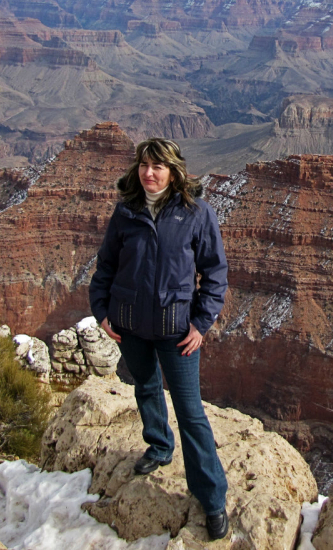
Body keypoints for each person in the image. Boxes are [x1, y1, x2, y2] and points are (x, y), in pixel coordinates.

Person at [88, 138, 229, 540]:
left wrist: (201, 323)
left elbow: (215, 273)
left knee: (190, 411)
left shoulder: (196, 213)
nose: (150, 174)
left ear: (174, 171)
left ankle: (212, 496)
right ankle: (159, 446)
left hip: (177, 330)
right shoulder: (126, 212)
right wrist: (101, 311)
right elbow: (106, 267)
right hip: (130, 323)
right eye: (144, 166)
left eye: (158, 167)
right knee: (146, 389)